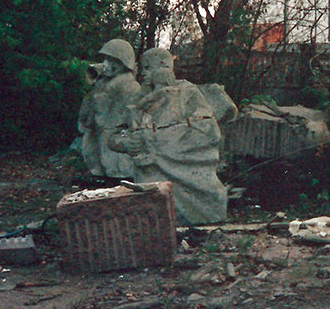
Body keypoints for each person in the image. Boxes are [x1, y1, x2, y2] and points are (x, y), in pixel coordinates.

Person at [109, 48, 228, 225]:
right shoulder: (137, 100)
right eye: (142, 68)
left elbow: (209, 131)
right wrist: (126, 143)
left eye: (148, 68)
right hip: (149, 177)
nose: (143, 73)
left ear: (164, 67)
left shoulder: (187, 93)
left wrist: (155, 139)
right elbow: (113, 137)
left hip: (188, 170)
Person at [77, 39, 141, 179]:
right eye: (106, 59)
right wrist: (95, 87)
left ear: (123, 63)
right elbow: (88, 114)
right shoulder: (102, 84)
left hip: (115, 143)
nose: (106, 64)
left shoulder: (131, 87)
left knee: (117, 171)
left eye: (112, 60)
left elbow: (123, 118)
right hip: (99, 138)